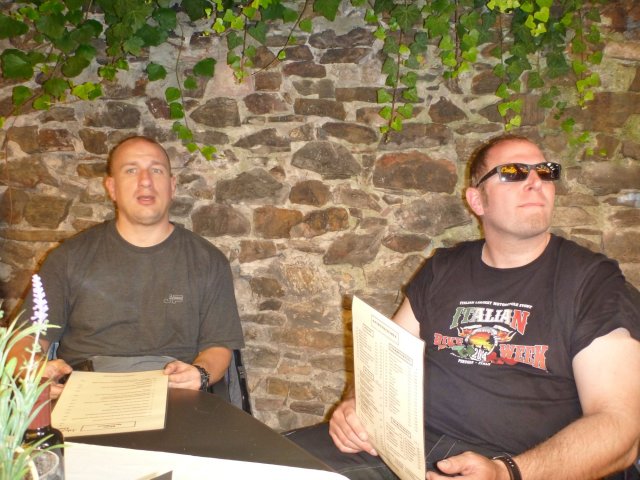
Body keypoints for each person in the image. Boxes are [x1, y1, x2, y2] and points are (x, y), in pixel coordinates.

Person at [288, 134, 640, 479]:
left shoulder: (591, 282)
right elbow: (382, 363)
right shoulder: (444, 268)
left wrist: (506, 472)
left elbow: (619, 428)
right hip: (406, 450)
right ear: (477, 200)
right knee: (269, 462)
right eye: (514, 172)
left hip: (521, 465)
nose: (535, 181)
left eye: (546, 171)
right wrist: (357, 405)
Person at [12, 135, 244, 399]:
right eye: (131, 170)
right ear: (111, 187)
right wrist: (35, 369)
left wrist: (200, 374)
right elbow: (24, 341)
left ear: (172, 186)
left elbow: (219, 347)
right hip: (85, 393)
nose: (145, 181)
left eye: (156, 170)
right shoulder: (67, 258)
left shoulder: (208, 261)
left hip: (174, 394)